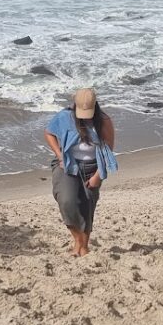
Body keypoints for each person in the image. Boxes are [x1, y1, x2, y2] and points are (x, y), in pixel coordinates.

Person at [44, 88, 118, 256]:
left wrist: (98, 176)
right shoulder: (64, 117)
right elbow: (48, 133)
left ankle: (83, 247)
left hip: (93, 167)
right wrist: (59, 154)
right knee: (67, 201)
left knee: (87, 208)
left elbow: (108, 151)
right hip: (68, 164)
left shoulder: (104, 121)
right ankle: (78, 240)